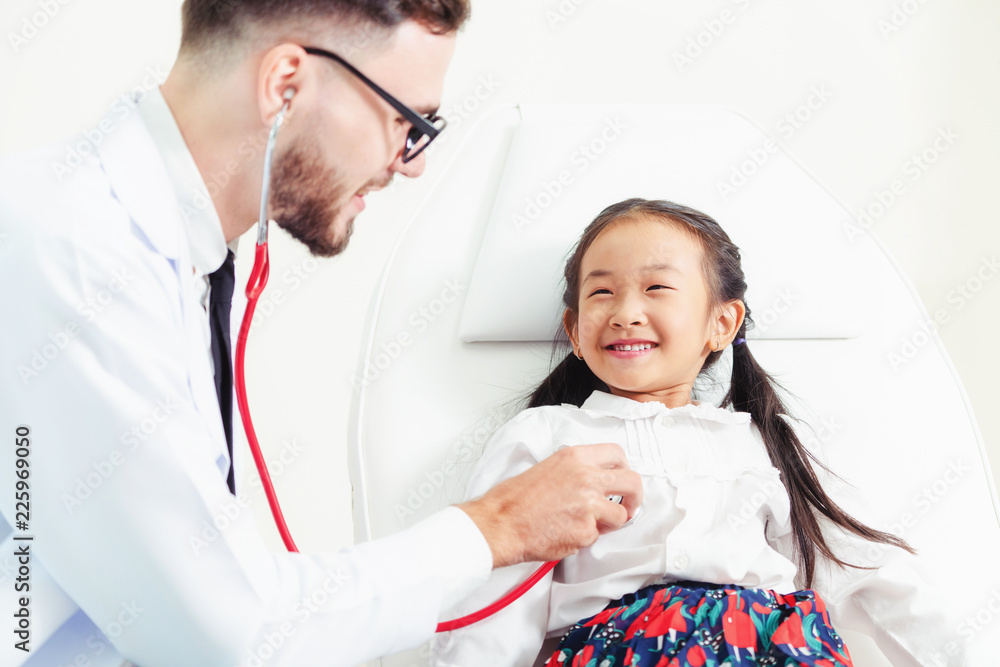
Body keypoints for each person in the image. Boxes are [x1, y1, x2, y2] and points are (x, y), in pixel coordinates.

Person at [0, 2, 642, 666]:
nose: (411, 161)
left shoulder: (176, 256)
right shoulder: (69, 255)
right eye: (406, 121)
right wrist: (497, 525)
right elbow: (235, 632)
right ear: (285, 86)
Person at [432, 198, 958, 667]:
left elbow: (869, 572)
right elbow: (495, 587)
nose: (625, 312)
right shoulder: (547, 436)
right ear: (574, 329)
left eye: (657, 287)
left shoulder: (766, 442)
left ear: (722, 324)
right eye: (602, 293)